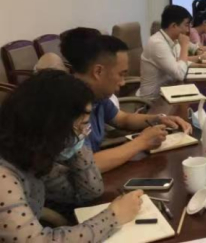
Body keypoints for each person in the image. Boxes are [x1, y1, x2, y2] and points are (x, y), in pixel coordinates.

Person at [0, 70, 143, 241]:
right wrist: (114, 216)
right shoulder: (4, 174)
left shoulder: (34, 156)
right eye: (82, 125)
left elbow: (90, 191)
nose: (85, 132)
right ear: (52, 126)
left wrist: (77, 146)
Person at [61, 27, 191, 173]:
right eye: (121, 74)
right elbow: (86, 165)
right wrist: (142, 142)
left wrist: (159, 119)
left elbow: (122, 119)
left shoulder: (96, 94)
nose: (123, 82)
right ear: (98, 72)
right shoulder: (67, 104)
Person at [140, 5, 206, 99]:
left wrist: (201, 65)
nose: (187, 30)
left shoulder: (173, 40)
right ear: (174, 26)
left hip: (170, 91)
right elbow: (179, 74)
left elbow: (180, 63)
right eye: (186, 25)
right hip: (154, 100)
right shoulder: (157, 43)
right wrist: (184, 46)